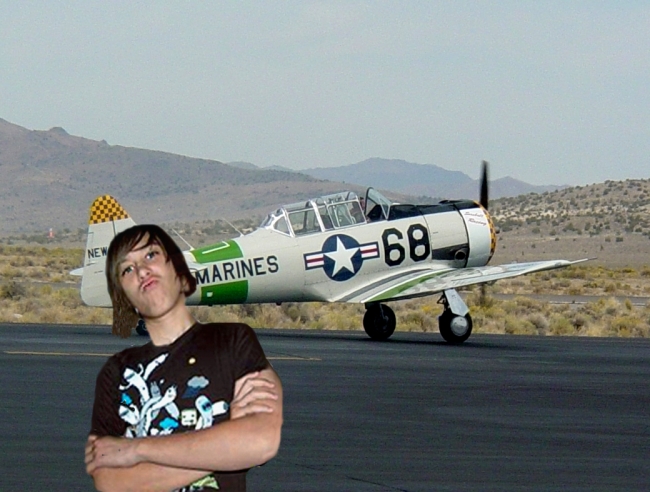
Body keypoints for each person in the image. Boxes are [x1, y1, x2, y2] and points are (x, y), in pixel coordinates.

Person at [85, 224, 283, 492]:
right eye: (127, 269)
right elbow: (110, 482)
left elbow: (261, 441)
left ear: (178, 271)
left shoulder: (235, 341)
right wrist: (225, 444)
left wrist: (136, 450)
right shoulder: (116, 372)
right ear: (124, 295)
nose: (142, 271)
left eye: (151, 255)